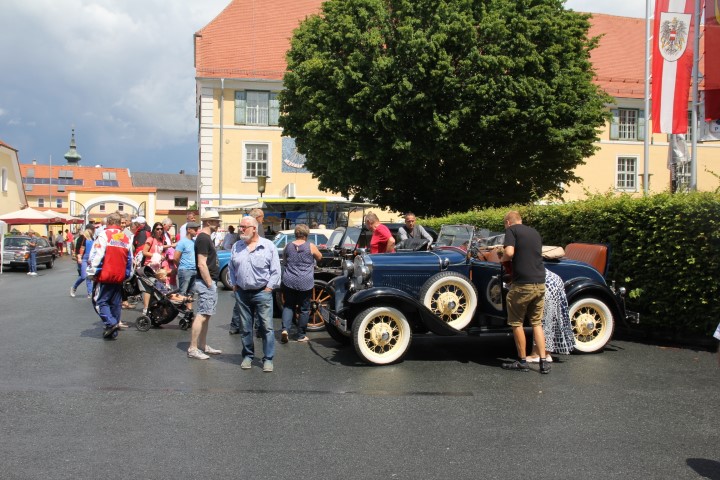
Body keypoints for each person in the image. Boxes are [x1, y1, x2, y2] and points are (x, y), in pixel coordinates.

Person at [500, 210, 550, 374]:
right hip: (540, 282)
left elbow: (509, 252)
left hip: (523, 284)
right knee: (537, 322)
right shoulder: (534, 232)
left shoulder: (511, 230)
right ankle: (543, 361)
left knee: (517, 323)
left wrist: (502, 259)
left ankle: (522, 361)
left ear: (508, 222)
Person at [229, 215, 281, 372]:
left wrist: (269, 288)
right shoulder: (237, 246)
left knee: (266, 327)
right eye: (240, 227)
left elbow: (276, 270)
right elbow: (232, 268)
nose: (241, 230)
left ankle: (268, 358)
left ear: (254, 228)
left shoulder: (268, 246)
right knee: (245, 327)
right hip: (242, 293)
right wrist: (234, 284)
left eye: (244, 227)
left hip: (262, 292)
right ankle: (248, 356)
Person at [87, 212, 133, 340]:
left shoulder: (104, 234)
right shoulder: (125, 237)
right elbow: (130, 259)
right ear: (119, 223)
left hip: (105, 275)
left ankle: (111, 323)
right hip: (119, 276)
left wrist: (91, 272)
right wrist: (127, 275)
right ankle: (113, 330)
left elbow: (97, 255)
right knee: (115, 303)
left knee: (100, 301)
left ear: (108, 222)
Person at [187, 210, 223, 360]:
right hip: (205, 283)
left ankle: (202, 345)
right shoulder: (203, 238)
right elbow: (202, 264)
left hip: (208, 282)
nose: (219, 223)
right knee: (202, 314)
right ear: (208, 222)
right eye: (216, 220)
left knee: (206, 315)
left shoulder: (206, 238)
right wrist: (209, 283)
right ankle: (193, 348)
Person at [280, 224, 322, 343]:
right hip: (305, 281)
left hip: (289, 280)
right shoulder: (311, 246)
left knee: (288, 306)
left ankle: (285, 330)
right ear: (306, 234)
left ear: (295, 234)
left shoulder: (288, 246)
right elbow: (319, 257)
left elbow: (284, 261)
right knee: (304, 309)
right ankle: (301, 335)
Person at [526, 269, 576, 363]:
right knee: (548, 319)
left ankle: (537, 355)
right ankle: (546, 353)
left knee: (540, 320)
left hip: (542, 282)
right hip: (551, 279)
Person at [173, 221, 199, 311]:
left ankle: (189, 310)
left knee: (191, 292)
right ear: (189, 230)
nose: (197, 231)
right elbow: (176, 257)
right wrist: (181, 266)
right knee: (182, 293)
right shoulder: (182, 242)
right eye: (195, 230)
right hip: (185, 270)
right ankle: (180, 310)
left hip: (194, 269)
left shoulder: (194, 242)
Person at [71, 224, 95, 298]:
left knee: (89, 277)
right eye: (93, 230)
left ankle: (90, 293)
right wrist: (79, 257)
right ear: (89, 230)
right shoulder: (82, 238)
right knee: (84, 276)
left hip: (90, 259)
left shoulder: (92, 238)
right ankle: (74, 287)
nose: (93, 231)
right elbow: (78, 248)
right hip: (83, 258)